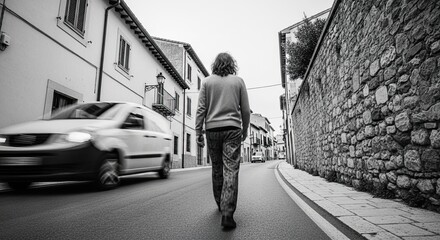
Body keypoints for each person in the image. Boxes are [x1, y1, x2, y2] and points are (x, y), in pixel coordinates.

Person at [196, 52, 251, 229]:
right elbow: (246, 110)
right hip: (233, 129)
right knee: (231, 169)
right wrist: (245, 129)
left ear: (215, 64)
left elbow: (201, 109)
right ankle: (227, 213)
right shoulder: (238, 81)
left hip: (212, 129)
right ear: (231, 64)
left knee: (217, 167)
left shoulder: (206, 81)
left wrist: (198, 131)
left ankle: (220, 205)